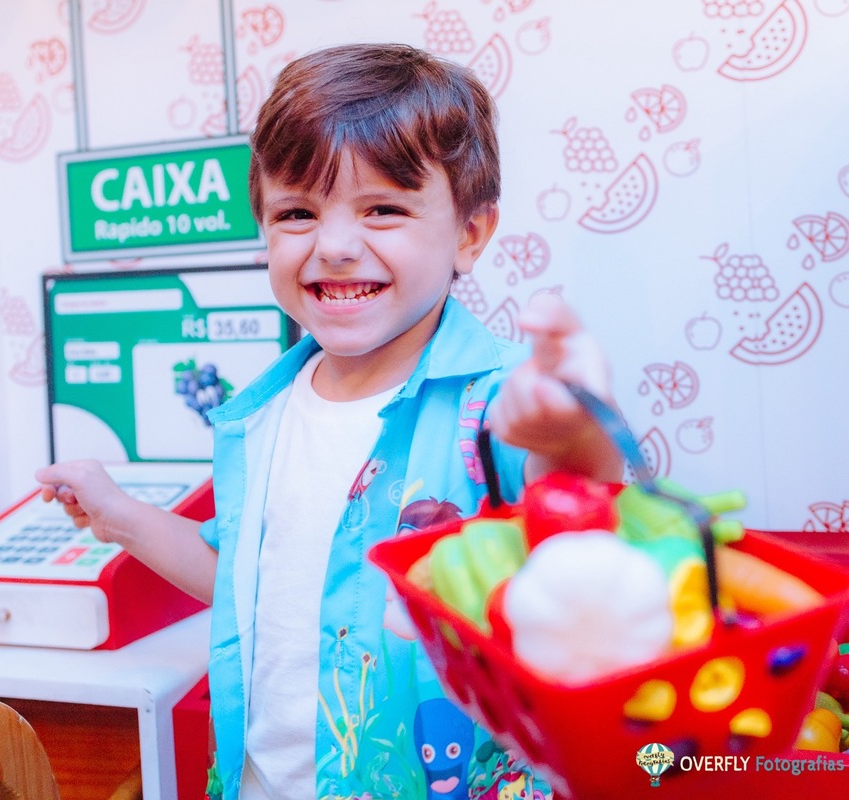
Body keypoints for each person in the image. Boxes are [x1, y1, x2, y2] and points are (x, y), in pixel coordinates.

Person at [36, 43, 624, 800]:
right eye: (297, 214)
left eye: (383, 209)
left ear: (470, 234)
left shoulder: (500, 398)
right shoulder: (261, 413)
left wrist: (575, 437)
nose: (336, 246)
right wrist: (117, 514)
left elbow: (582, 525)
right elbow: (242, 582)